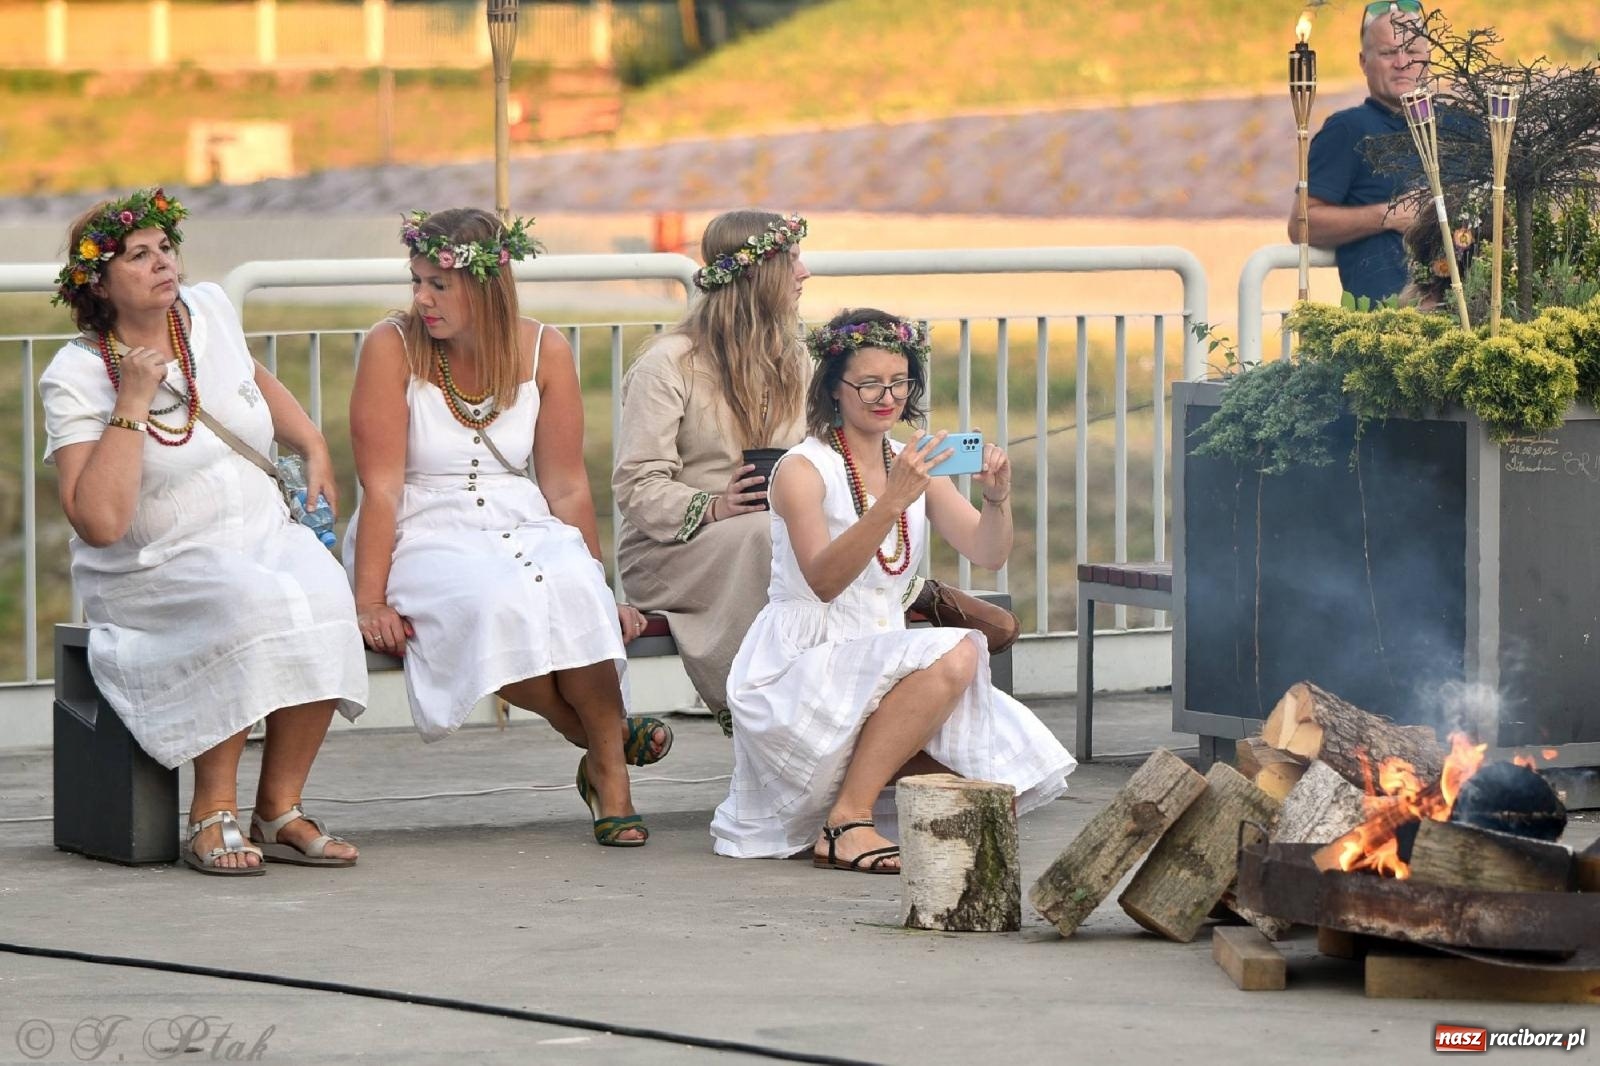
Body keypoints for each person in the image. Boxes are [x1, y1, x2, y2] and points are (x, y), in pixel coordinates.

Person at [39, 188, 367, 876]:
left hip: (258, 531)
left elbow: (247, 379)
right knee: (245, 601)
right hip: (153, 564)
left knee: (322, 590)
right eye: (138, 255)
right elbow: (97, 522)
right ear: (97, 283)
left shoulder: (208, 309)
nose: (163, 263)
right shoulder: (75, 376)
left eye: (166, 248)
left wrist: (311, 441)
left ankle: (278, 809)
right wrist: (129, 400)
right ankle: (209, 812)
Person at [345, 207, 670, 847]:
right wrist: (369, 598)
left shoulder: (546, 348)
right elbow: (380, 484)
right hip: (421, 523)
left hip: (517, 513)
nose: (421, 299)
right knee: (491, 600)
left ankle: (607, 770)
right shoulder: (391, 345)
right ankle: (603, 750)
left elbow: (568, 484)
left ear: (486, 284)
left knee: (574, 591)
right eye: (416, 281)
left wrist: (606, 590)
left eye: (438, 285)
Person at [710, 308, 1076, 871]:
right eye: (870, 383)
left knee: (990, 785)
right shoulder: (803, 470)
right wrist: (893, 501)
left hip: (884, 657)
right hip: (806, 664)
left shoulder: (907, 462)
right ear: (834, 388)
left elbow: (988, 552)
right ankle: (847, 821)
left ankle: (854, 805)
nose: (887, 397)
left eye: (899, 382)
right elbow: (825, 582)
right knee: (958, 653)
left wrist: (997, 499)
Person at [613, 210, 811, 736]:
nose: (805, 273)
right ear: (758, 274)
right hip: (673, 551)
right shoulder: (668, 364)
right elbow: (636, 485)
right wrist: (715, 505)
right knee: (770, 539)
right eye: (792, 260)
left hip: (774, 537)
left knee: (814, 536)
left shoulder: (796, 361)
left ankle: (838, 700)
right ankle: (765, 712)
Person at [1293, 1, 1431, 303]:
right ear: (1363, 61)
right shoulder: (1348, 130)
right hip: (1385, 327)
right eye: (1388, 52)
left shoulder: (1462, 128)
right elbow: (1301, 224)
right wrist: (1389, 215)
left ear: (1428, 57)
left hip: (1467, 321)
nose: (1402, 61)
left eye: (1412, 51)